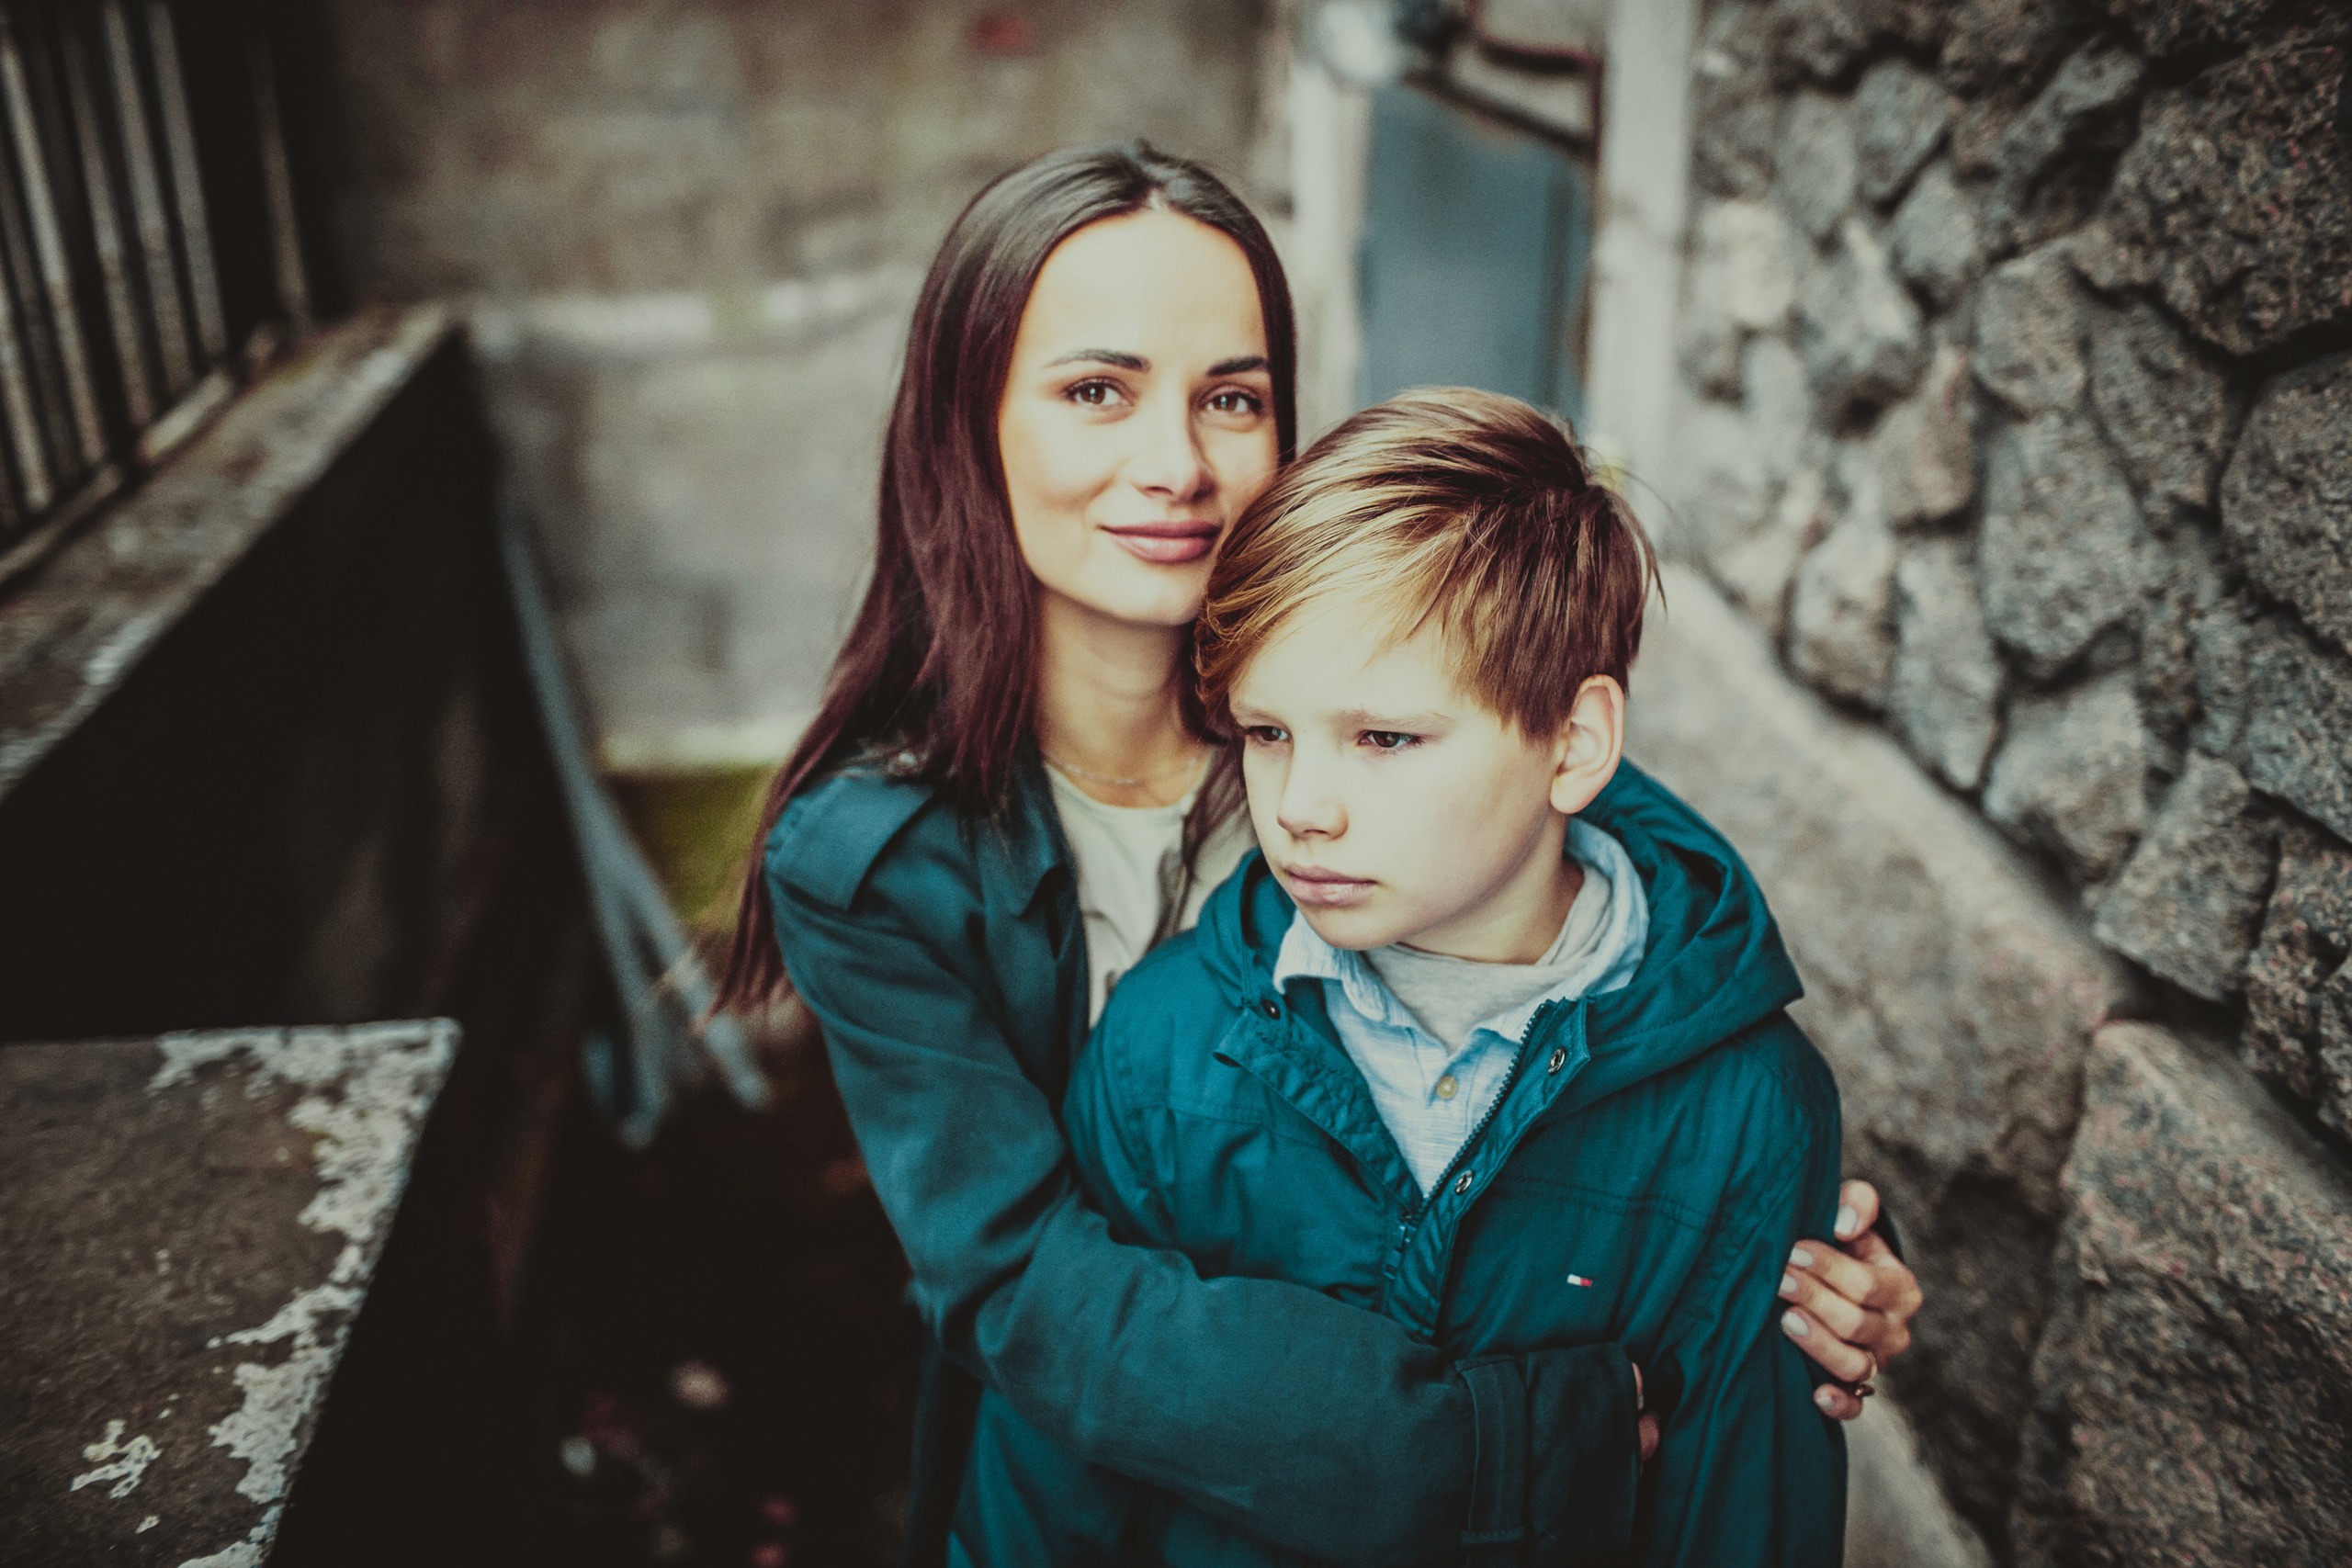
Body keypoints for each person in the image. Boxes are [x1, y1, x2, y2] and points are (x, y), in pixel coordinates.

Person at [718, 141, 1921, 1566]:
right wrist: (1505, 1441)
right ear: (966, 425)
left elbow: (1636, 951)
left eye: (1232, 397)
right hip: (1133, 1478)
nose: (1176, 465)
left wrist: (1780, 1233)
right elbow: (1024, 1290)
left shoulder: (1385, 697)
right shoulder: (870, 857)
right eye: (1097, 389)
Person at [955, 389, 1845, 1566]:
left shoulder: (1745, 1112)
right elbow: (1048, 1482)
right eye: (1268, 733)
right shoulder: (1166, 1043)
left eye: (1384, 739)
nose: (1300, 810)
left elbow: (1742, 1516)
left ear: (1573, 742)